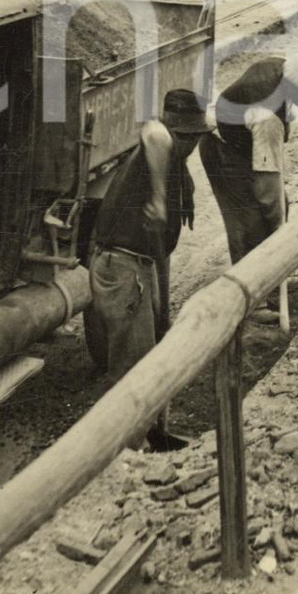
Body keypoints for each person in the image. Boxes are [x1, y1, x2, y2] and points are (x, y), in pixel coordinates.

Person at [87, 89, 212, 448]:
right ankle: (122, 448)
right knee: (130, 362)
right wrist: (158, 197)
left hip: (142, 266)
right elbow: (154, 131)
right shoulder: (157, 144)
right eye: (186, 136)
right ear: (176, 132)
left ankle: (153, 432)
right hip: (121, 267)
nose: (190, 145)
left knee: (153, 347)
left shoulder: (174, 160)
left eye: (195, 137)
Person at [199, 55, 298, 269]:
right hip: (222, 151)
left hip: (242, 137)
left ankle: (273, 280)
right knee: (249, 224)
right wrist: (279, 227)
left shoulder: (281, 67)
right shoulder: (267, 118)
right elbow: (268, 182)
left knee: (274, 211)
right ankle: (251, 291)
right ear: (293, 87)